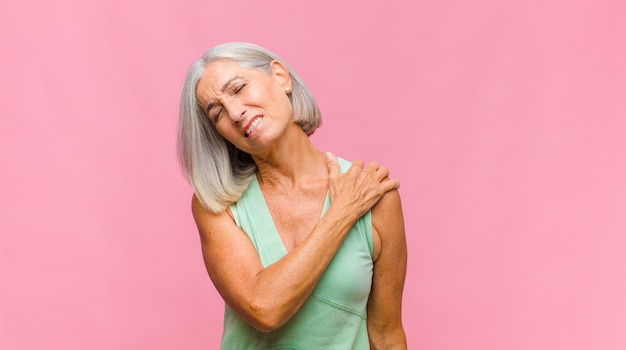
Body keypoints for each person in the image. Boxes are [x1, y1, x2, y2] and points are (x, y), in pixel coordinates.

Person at [178, 42, 407, 349]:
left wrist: (351, 205)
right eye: (217, 113)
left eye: (239, 88)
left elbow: (386, 334)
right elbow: (264, 307)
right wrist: (341, 213)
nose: (234, 112)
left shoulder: (374, 196)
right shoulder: (218, 206)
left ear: (280, 77)